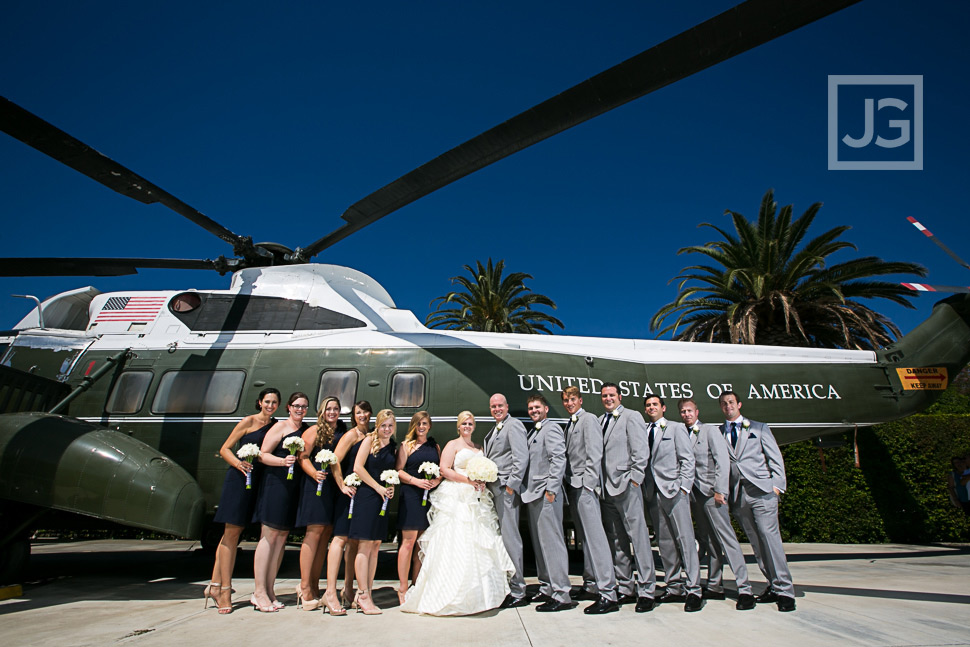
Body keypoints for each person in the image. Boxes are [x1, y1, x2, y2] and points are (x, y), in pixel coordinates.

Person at [400, 411, 515, 616]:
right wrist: (468, 481)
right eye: (464, 423)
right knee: (455, 540)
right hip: (457, 496)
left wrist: (481, 481)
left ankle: (482, 594)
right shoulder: (452, 445)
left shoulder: (479, 447)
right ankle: (449, 591)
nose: (467, 426)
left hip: (477, 498)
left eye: (470, 423)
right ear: (458, 426)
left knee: (479, 540)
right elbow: (444, 469)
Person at [718, 390, 795, 612]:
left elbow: (775, 458)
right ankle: (773, 584)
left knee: (771, 540)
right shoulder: (720, 432)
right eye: (724, 404)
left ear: (739, 404)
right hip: (739, 496)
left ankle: (785, 592)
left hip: (762, 492)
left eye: (731, 402)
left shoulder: (759, 428)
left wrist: (777, 487)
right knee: (757, 543)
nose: (728, 406)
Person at [206, 387, 280, 614]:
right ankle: (225, 590)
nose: (270, 406)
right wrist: (238, 464)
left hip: (257, 481)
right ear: (259, 402)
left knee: (234, 533)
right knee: (231, 533)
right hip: (239, 480)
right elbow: (225, 448)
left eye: (274, 402)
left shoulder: (275, 424)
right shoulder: (247, 422)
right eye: (267, 401)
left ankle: (214, 585)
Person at [678, 397, 754, 610]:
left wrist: (721, 490)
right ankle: (714, 584)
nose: (687, 414)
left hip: (712, 493)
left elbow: (722, 461)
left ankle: (744, 588)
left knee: (726, 538)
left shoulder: (710, 431)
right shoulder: (681, 433)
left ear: (697, 411)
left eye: (690, 411)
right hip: (694, 495)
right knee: (708, 540)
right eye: (683, 412)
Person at [641, 395, 702, 612]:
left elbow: (687, 459)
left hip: (675, 493)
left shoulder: (676, 428)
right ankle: (674, 585)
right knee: (665, 543)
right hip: (653, 493)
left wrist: (684, 487)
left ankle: (694, 589)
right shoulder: (644, 430)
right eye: (648, 405)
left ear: (663, 408)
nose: (651, 408)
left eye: (654, 405)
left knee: (685, 540)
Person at [598, 382, 656, 612]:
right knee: (617, 541)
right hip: (607, 489)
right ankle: (626, 587)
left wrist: (634, 479)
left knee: (638, 538)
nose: (608, 398)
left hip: (627, 486)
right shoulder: (601, 421)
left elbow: (641, 451)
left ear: (619, 397)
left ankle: (647, 590)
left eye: (611, 395)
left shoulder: (631, 417)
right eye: (604, 395)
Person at [561, 386, 618, 614]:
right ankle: (592, 584)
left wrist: (588, 484)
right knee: (585, 539)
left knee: (596, 539)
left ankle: (609, 593)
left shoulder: (589, 419)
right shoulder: (571, 423)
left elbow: (595, 454)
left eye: (572, 399)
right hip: (574, 486)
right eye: (565, 400)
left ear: (580, 400)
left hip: (585, 487)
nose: (569, 403)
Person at [250, 391, 309, 612]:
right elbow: (263, 454)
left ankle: (270, 589)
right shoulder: (280, 428)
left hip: (292, 488)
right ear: (289, 407)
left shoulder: (304, 430)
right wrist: (283, 461)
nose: (300, 409)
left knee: (282, 538)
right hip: (275, 485)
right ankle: (258, 591)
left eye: (303, 406)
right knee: (268, 536)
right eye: (296, 405)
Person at [521, 394, 574, 612]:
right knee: (542, 545)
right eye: (531, 408)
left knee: (552, 544)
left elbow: (558, 459)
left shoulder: (550, 429)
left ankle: (562, 594)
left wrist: (551, 490)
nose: (533, 411)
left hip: (546, 494)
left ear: (546, 409)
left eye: (537, 407)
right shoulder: (535, 430)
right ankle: (547, 588)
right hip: (533, 494)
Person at [293, 396, 345, 610]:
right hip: (316, 486)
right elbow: (302, 457)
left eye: (335, 409)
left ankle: (315, 585)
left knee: (325, 535)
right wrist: (314, 474)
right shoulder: (314, 431)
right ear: (322, 411)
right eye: (328, 409)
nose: (332, 412)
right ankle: (304, 587)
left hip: (332, 488)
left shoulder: (341, 430)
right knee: (313, 534)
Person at [323, 400, 372, 615]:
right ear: (353, 415)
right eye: (358, 412)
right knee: (340, 539)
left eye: (365, 412)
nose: (362, 415)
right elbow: (335, 459)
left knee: (353, 542)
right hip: (348, 494)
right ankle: (330, 592)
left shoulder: (369, 435)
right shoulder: (351, 435)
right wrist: (341, 484)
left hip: (361, 496)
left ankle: (349, 589)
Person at [348, 408, 398, 615]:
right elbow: (358, 467)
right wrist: (377, 487)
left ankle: (368, 590)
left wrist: (390, 486)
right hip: (367, 496)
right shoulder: (369, 440)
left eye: (390, 426)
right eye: (383, 425)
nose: (387, 429)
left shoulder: (393, 446)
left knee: (376, 545)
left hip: (382, 499)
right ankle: (361, 594)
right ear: (377, 426)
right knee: (364, 544)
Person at [483, 393, 530, 608]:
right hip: (495, 490)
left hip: (506, 489)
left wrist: (512, 485)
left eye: (500, 405)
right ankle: (508, 585)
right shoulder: (496, 429)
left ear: (507, 406)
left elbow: (521, 457)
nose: (496, 409)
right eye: (493, 406)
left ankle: (519, 590)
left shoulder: (514, 425)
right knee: (503, 539)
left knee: (511, 538)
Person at [395, 411, 442, 603]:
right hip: (411, 496)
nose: (421, 427)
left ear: (429, 425)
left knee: (422, 544)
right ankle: (403, 588)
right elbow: (398, 471)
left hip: (429, 497)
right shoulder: (407, 446)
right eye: (417, 424)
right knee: (408, 542)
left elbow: (441, 470)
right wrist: (416, 481)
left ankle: (418, 584)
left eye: (424, 423)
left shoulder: (435, 446)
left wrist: (436, 482)